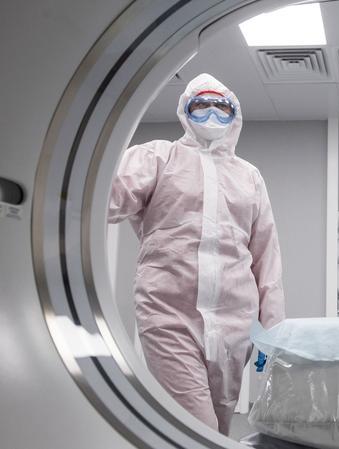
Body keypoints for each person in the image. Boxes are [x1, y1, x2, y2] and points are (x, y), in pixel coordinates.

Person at [108, 73, 285, 435]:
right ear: (185, 111)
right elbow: (104, 198)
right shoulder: (157, 157)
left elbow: (265, 257)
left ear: (234, 114)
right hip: (169, 313)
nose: (211, 113)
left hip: (234, 322)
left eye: (221, 107)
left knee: (218, 427)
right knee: (195, 425)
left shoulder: (249, 176)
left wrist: (274, 331)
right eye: (200, 105)